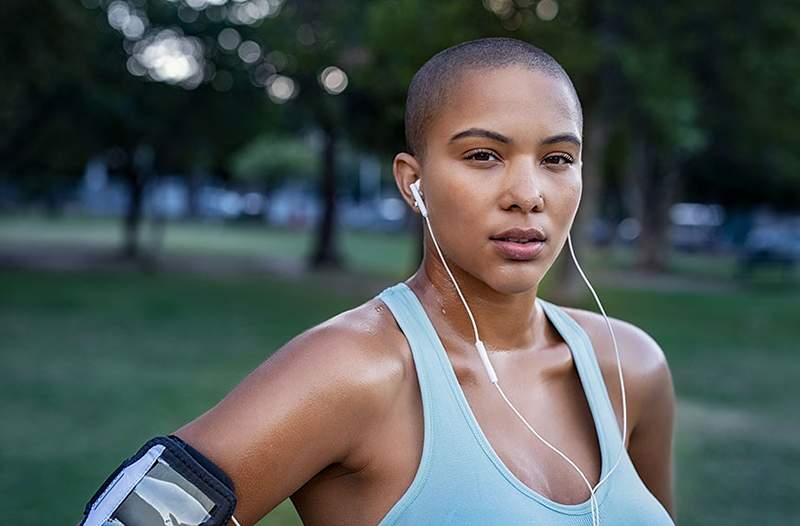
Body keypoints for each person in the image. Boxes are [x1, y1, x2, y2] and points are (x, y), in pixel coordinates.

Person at [172, 37, 676, 525]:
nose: (528, 194)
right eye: (484, 155)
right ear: (413, 181)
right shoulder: (351, 373)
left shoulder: (631, 368)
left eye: (557, 159)